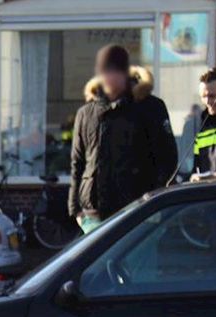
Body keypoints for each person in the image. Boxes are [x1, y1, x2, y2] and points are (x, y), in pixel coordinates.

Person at [69, 45, 178, 234]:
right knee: (98, 263)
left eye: (115, 71)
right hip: (93, 214)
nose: (110, 77)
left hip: (139, 210)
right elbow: (77, 161)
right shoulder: (86, 113)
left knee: (139, 263)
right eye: (106, 71)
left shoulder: (149, 107)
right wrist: (74, 208)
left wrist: (155, 200)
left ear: (125, 73)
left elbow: (167, 157)